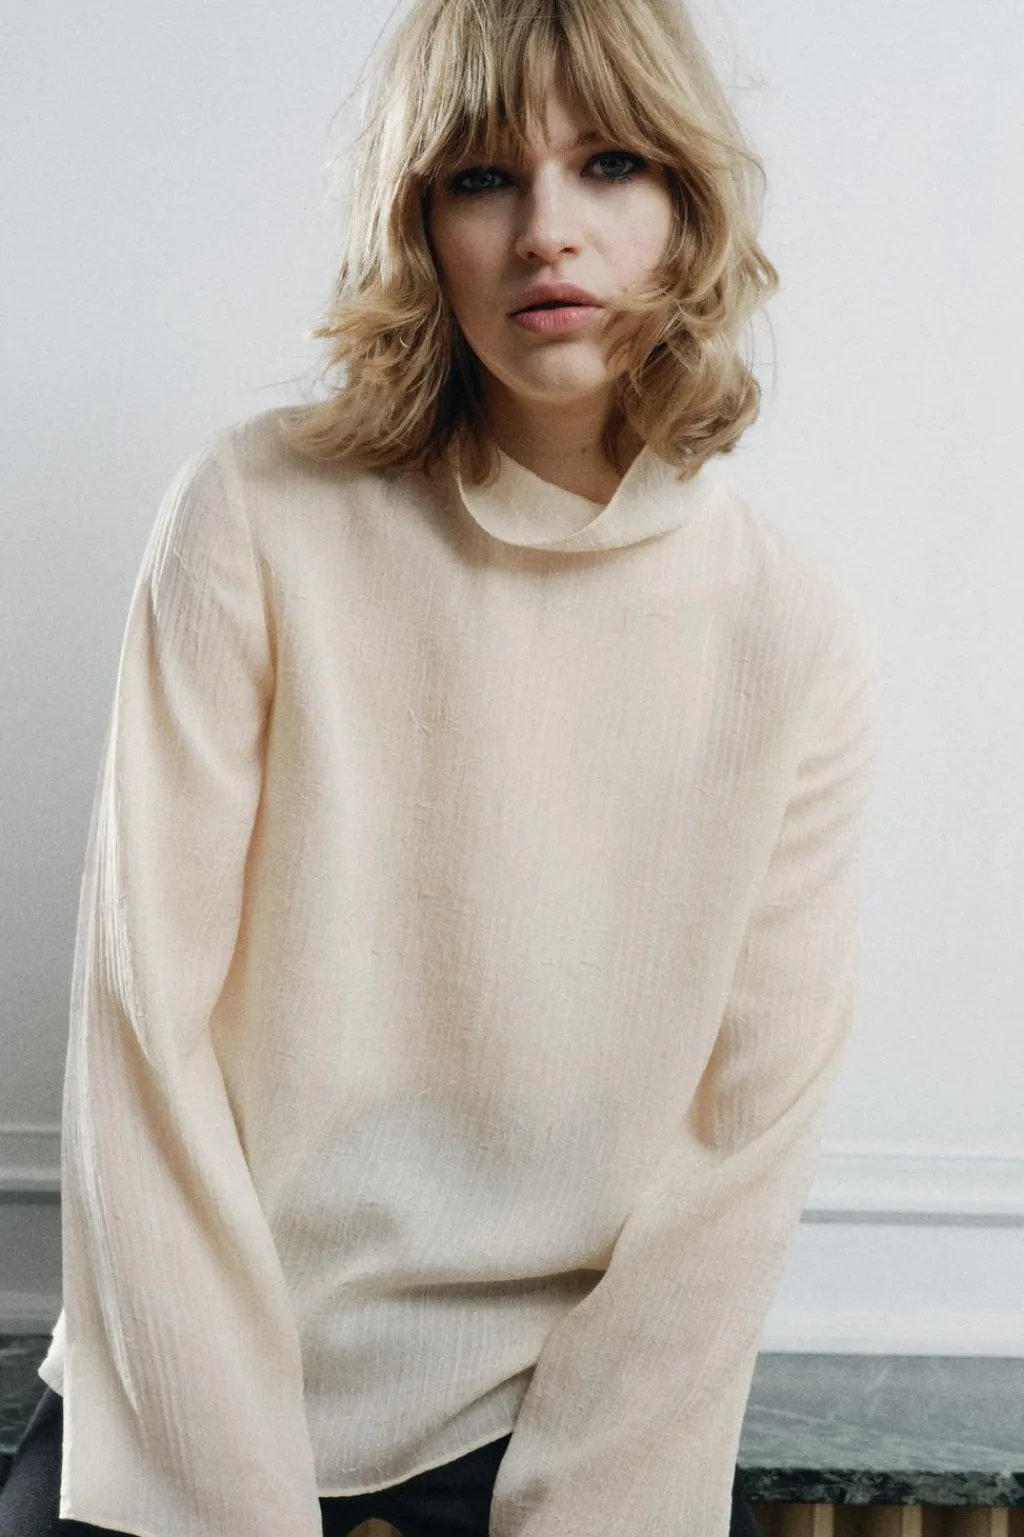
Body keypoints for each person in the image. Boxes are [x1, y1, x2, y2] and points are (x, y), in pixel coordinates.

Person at [0, 0, 880, 1533]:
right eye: (482, 177)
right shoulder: (252, 515)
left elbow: (741, 1153)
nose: (547, 231)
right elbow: (145, 1046)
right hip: (199, 1368)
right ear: (421, 225)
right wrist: (230, 1493)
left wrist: (588, 1502)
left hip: (558, 1410)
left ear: (687, 209)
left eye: (609, 164)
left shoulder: (793, 634)